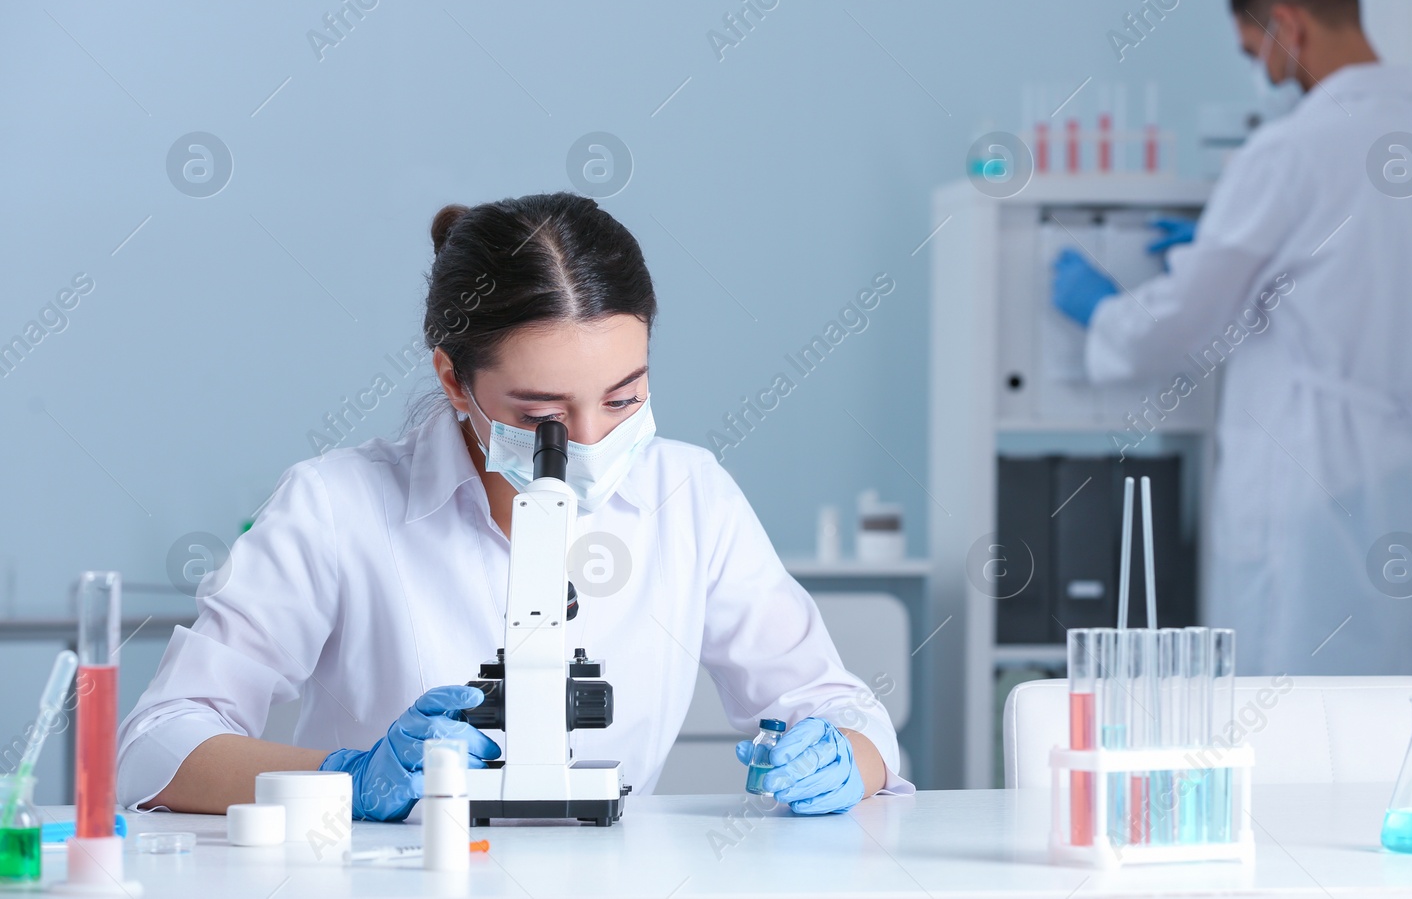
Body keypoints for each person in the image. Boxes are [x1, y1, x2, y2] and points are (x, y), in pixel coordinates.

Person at [117, 193, 910, 820]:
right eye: (542, 415)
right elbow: (157, 748)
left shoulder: (689, 495)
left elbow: (843, 710)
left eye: (624, 397)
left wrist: (841, 757)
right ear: (454, 379)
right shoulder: (336, 506)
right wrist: (347, 779)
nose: (591, 441)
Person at [1052, 0, 1412, 677]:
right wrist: (1229, 252)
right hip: (1405, 471)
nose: (1263, 70)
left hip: (1307, 476)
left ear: (1288, 24)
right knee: (1397, 706)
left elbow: (1189, 320)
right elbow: (1336, 274)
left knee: (1293, 723)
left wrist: (1105, 312)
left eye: (1255, 51)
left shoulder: (1291, 151)